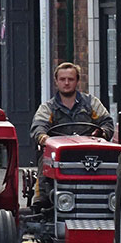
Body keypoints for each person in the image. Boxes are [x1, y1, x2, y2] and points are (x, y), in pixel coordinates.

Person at [30, 62, 114, 205]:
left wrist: (102, 133)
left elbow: (107, 123)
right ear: (56, 81)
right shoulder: (48, 108)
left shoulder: (91, 103)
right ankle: (43, 198)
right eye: (62, 79)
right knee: (45, 159)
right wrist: (45, 139)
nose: (66, 83)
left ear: (77, 81)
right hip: (60, 154)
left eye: (71, 79)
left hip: (90, 151)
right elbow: (38, 128)